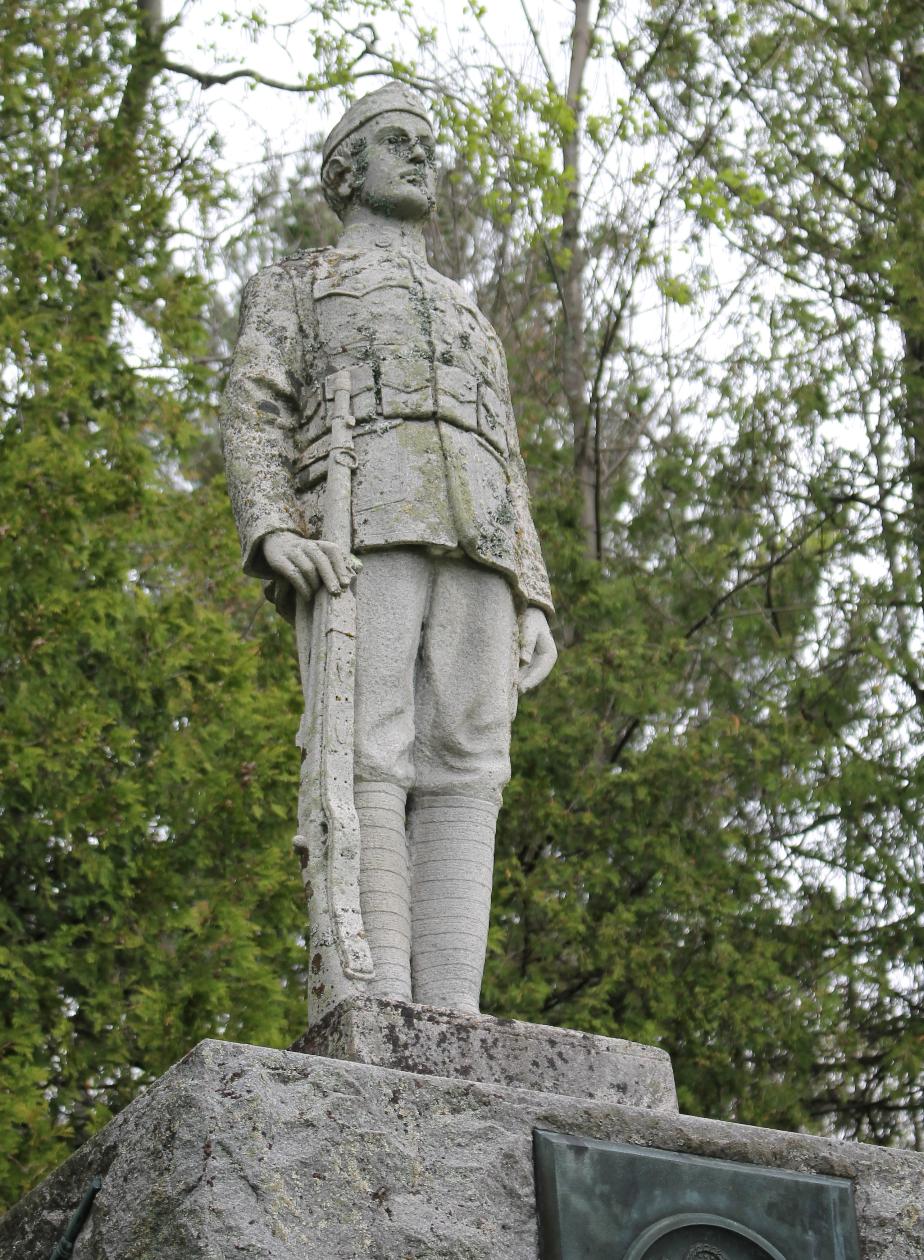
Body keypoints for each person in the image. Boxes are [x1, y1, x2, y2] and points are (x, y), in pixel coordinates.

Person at [221, 82, 557, 1014]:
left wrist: (531, 592)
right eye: (398, 142)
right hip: (361, 524)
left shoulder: (467, 310)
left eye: (427, 145)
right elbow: (257, 406)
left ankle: (450, 1014)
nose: (420, 157)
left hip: (477, 536)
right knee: (369, 750)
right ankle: (377, 997)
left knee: (471, 757)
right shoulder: (300, 282)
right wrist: (274, 525)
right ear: (346, 170)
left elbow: (506, 450)